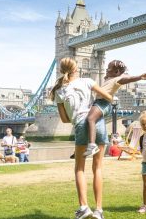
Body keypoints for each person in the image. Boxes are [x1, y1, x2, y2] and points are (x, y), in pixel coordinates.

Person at [50, 57, 112, 219]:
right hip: (97, 123)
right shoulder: (87, 81)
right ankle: (99, 210)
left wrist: (75, 115)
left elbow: (64, 119)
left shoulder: (58, 90)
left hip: (79, 125)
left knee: (79, 168)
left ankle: (84, 207)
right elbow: (108, 97)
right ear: (76, 69)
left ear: (62, 71)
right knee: (98, 168)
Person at [84, 60, 146, 157]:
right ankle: (86, 145)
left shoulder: (117, 79)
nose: (106, 69)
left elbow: (128, 79)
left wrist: (140, 77)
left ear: (117, 72)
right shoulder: (110, 78)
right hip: (98, 102)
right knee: (87, 122)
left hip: (103, 103)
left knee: (90, 119)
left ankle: (92, 145)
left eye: (109, 69)